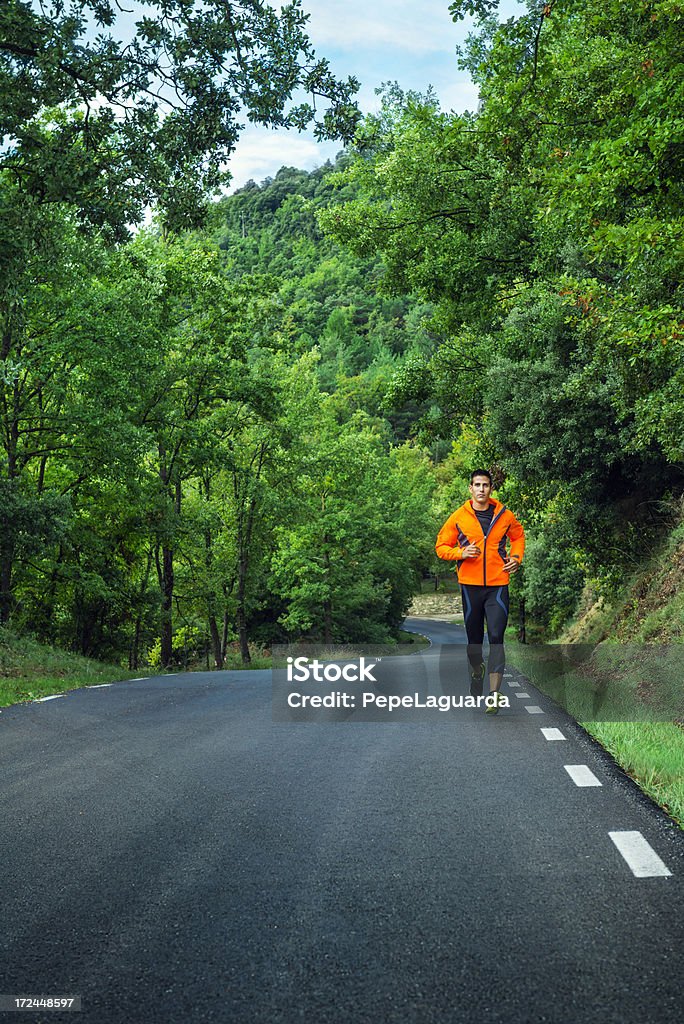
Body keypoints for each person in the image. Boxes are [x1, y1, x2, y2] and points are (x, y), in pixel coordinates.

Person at [435, 470, 525, 713]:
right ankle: (477, 670)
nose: (481, 489)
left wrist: (516, 558)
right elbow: (441, 546)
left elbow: (518, 537)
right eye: (477, 485)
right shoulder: (458, 517)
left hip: (497, 585)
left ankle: (494, 695)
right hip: (470, 586)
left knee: (496, 637)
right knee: (474, 642)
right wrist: (460, 553)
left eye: (485, 485)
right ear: (470, 488)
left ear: (491, 488)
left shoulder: (505, 515)